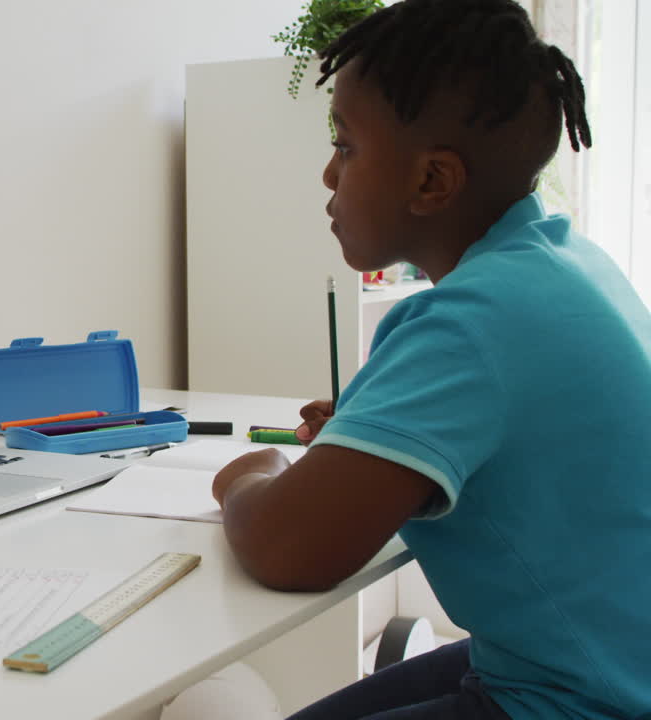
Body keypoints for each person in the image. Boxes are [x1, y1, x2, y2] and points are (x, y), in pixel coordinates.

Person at [209, 1, 651, 718]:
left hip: (586, 699)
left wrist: (247, 477)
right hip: (594, 659)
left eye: (345, 147)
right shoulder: (563, 264)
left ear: (431, 183)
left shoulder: (469, 320)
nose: (328, 174)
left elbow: (289, 549)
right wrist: (369, 439)